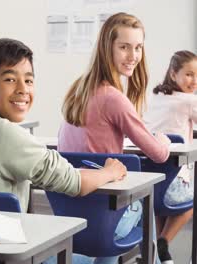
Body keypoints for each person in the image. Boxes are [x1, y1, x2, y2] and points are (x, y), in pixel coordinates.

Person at [0, 38, 127, 214]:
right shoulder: (5, 133)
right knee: (132, 212)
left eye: (28, 80)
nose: (23, 89)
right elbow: (76, 183)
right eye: (10, 79)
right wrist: (109, 172)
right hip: (2, 246)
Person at [58, 12, 170, 264]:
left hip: (69, 211)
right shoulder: (113, 98)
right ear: (106, 48)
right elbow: (159, 154)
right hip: (103, 218)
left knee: (128, 200)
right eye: (124, 47)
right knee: (144, 203)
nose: (133, 56)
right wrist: (163, 139)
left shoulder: (78, 88)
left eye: (138, 47)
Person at [143, 50, 197, 263]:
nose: (194, 81)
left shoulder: (155, 96)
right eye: (189, 74)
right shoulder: (188, 100)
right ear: (173, 74)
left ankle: (155, 250)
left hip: (148, 182)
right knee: (190, 207)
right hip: (173, 179)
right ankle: (163, 241)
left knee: (160, 209)